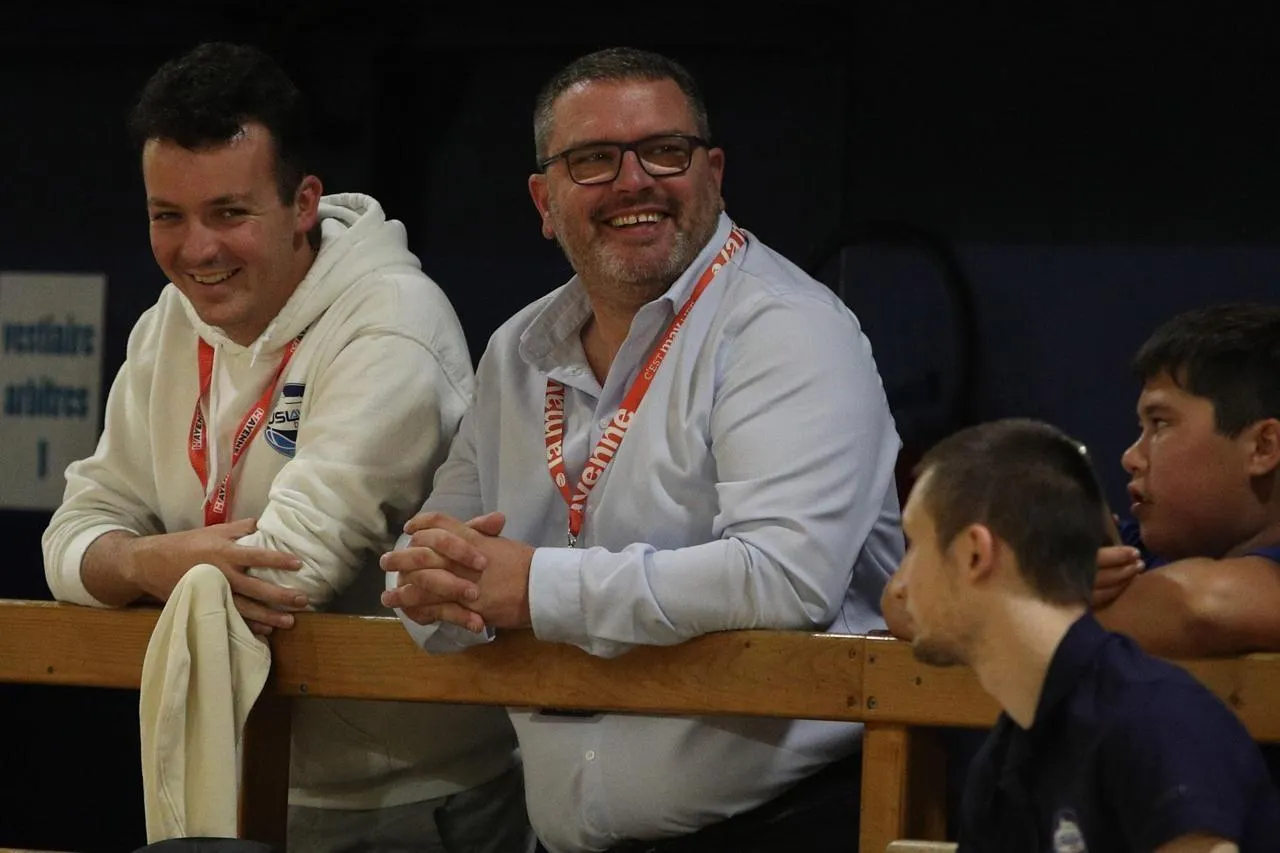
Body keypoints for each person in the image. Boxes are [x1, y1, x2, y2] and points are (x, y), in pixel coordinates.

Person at [379, 45, 904, 853]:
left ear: (712, 174)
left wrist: (534, 588)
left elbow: (785, 578)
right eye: (593, 159)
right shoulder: (516, 352)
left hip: (790, 824)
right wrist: (430, 591)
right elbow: (433, 561)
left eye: (664, 151)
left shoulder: (786, 330)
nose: (634, 181)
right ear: (544, 200)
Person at [41, 41, 529, 853]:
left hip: (415, 797)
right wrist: (140, 561)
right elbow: (71, 533)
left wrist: (138, 564)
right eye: (169, 215)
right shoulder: (166, 324)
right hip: (237, 780)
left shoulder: (394, 323)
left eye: (229, 213)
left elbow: (285, 576)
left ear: (304, 203)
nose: (197, 249)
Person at [885, 417, 1280, 851]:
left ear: (975, 554)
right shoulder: (1003, 758)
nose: (900, 586)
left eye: (917, 546)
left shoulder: (1158, 722)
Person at [1087, 302, 1280, 657]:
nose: (1131, 458)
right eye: (1141, 428)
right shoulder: (1133, 554)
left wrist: (1031, 601)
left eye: (1160, 423)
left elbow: (1202, 609)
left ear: (1262, 447)